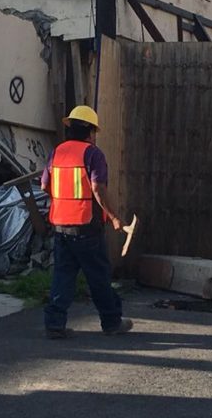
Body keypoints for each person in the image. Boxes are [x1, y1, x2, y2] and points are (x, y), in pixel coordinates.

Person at [42, 105, 132, 339]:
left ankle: (54, 323)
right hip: (86, 225)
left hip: (61, 225)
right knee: (98, 275)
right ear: (91, 132)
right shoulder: (93, 154)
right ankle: (112, 322)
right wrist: (113, 217)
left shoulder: (57, 152)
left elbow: (44, 185)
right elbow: (97, 188)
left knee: (63, 275)